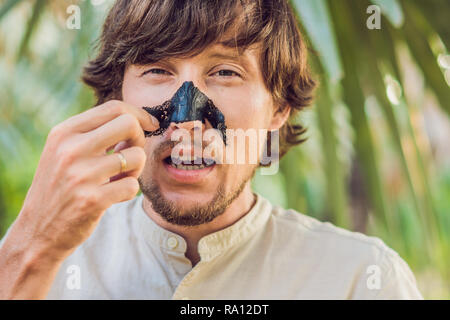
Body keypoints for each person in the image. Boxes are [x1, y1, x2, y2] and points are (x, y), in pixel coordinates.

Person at [0, 0, 422, 299]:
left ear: (278, 107)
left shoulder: (361, 280)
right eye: (157, 69)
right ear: (117, 96)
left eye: (225, 71)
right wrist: (30, 248)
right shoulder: (45, 263)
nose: (187, 116)